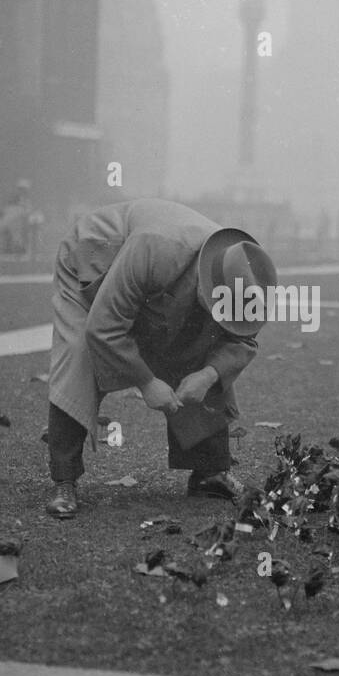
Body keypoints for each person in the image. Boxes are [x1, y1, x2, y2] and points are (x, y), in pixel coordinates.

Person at [45, 198, 277, 519]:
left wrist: (208, 373)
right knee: (80, 356)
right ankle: (64, 478)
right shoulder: (156, 250)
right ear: (207, 284)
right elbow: (104, 327)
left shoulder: (242, 268)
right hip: (94, 260)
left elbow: (242, 339)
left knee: (200, 344)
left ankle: (209, 472)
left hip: (149, 271)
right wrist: (147, 382)